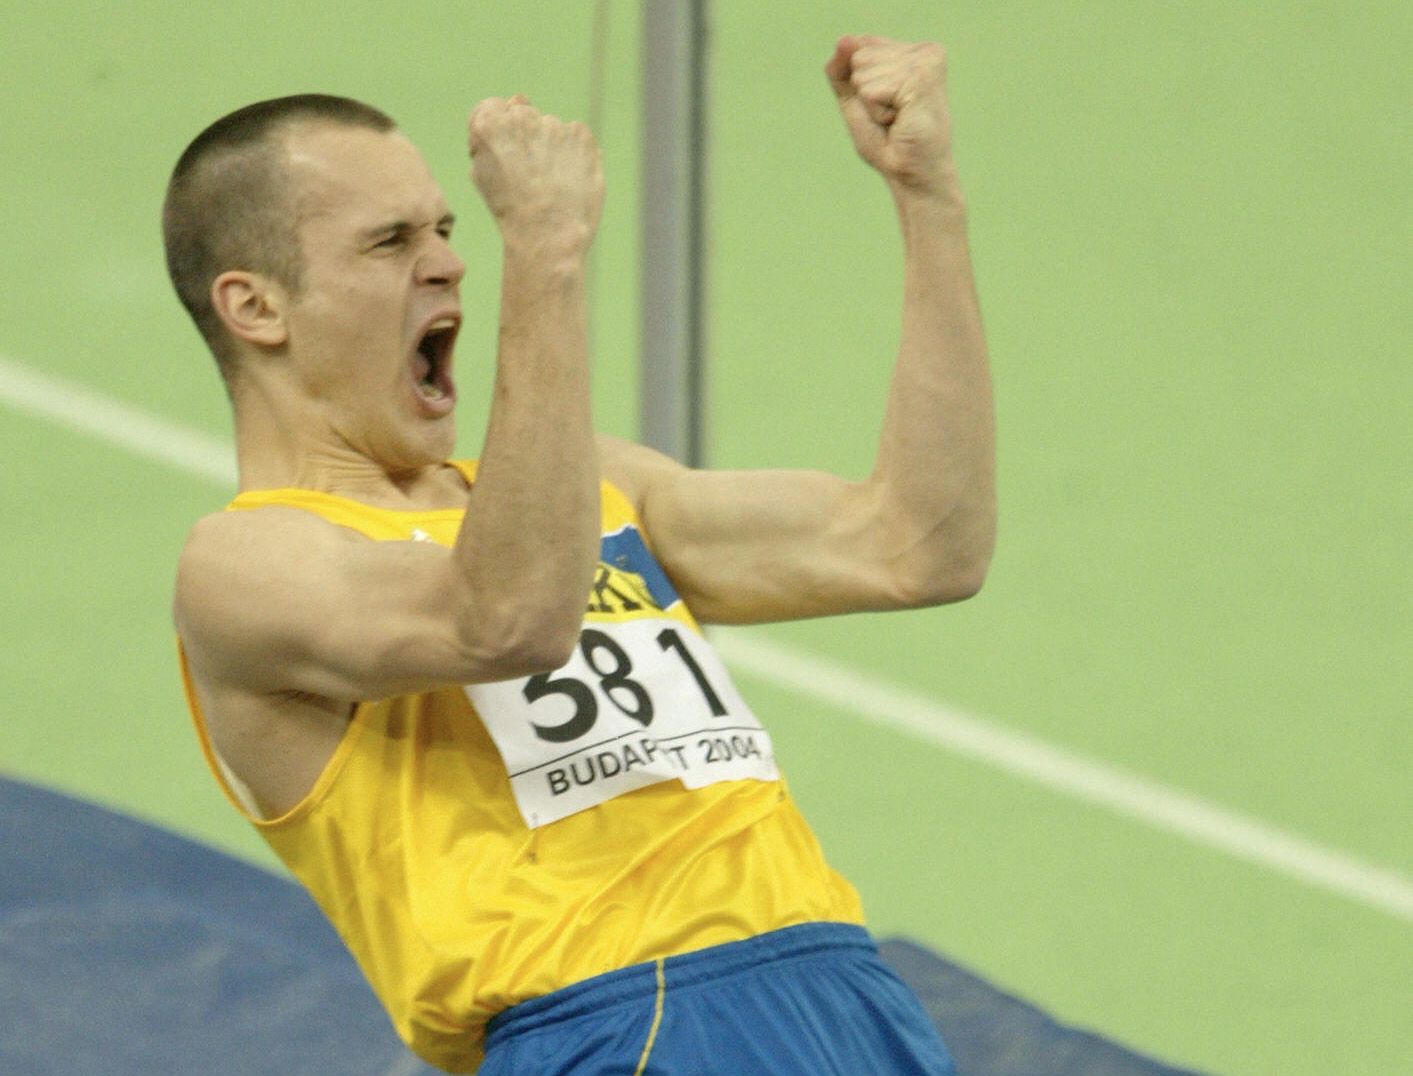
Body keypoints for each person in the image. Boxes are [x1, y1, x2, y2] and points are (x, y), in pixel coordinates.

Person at [167, 33, 993, 1076]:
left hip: (841, 991)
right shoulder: (245, 564)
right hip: (615, 1028)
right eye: (388, 242)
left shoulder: (590, 485)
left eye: (447, 226)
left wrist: (931, 199)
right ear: (256, 306)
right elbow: (507, 619)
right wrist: (546, 256)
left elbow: (919, 544)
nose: (448, 258)